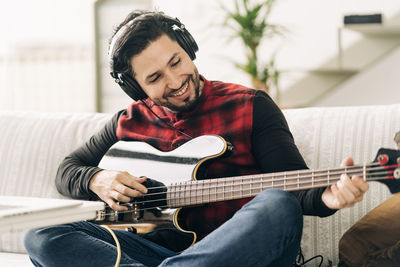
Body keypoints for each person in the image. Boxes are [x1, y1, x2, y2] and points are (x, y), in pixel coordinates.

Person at [24, 10, 369, 267]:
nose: (175, 80)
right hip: (153, 251)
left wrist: (329, 198)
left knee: (277, 204)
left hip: (237, 253)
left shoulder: (250, 106)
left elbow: (297, 190)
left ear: (188, 49)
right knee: (41, 232)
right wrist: (98, 178)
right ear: (136, 88)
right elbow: (67, 170)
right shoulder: (127, 121)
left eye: (177, 61)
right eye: (156, 77)